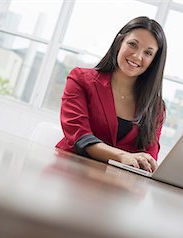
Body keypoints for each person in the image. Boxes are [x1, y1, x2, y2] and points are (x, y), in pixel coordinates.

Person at [56, 16, 167, 173]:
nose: (137, 56)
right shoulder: (80, 79)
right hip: (68, 174)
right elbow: (79, 135)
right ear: (119, 43)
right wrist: (121, 156)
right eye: (132, 44)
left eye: (148, 53)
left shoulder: (155, 108)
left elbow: (148, 158)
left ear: (154, 61)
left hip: (117, 189)